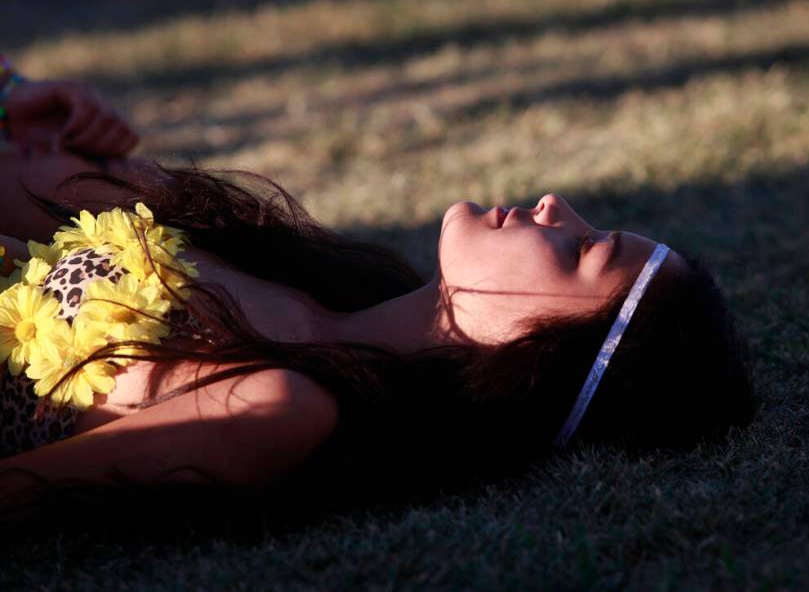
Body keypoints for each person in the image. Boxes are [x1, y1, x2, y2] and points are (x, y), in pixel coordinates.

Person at [0, 58, 755, 522]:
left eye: (586, 249)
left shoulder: (277, 409)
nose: (558, 206)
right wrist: (11, 96)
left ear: (538, 355)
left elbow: (20, 490)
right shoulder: (278, 256)